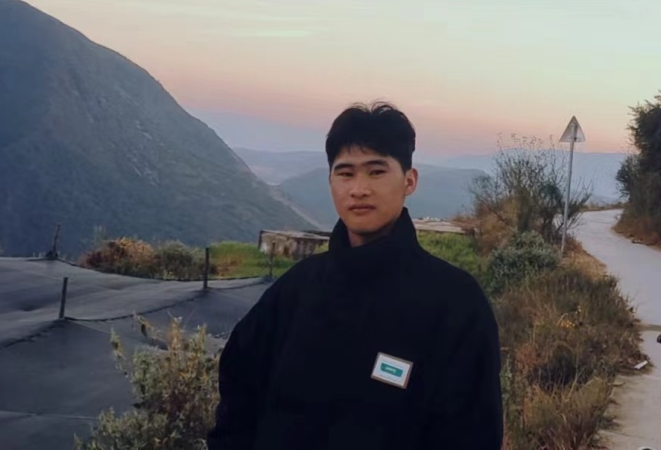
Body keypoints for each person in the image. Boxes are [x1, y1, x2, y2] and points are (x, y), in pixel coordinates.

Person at [207, 102, 503, 450]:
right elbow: (238, 384)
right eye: (345, 173)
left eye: (376, 172)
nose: (359, 189)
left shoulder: (455, 304)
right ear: (331, 181)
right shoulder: (296, 290)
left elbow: (473, 433)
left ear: (409, 180)